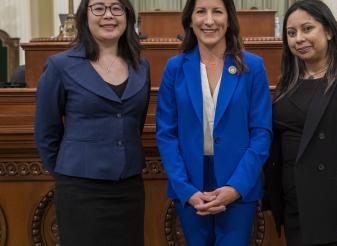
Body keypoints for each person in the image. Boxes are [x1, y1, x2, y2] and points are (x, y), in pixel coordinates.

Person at [263, 0, 337, 245]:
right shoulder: (288, 82)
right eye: (291, 33)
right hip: (294, 206)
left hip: (334, 209)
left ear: (328, 31)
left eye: (308, 29)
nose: (299, 39)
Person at [155, 0, 272, 245]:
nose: (209, 20)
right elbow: (166, 134)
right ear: (189, 19)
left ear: (229, 19)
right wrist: (186, 189)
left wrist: (236, 187)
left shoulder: (252, 66)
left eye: (217, 11)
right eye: (201, 12)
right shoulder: (175, 68)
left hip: (238, 183)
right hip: (190, 182)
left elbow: (261, 133)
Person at [34, 0, 150, 245]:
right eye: (99, 7)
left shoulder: (141, 66)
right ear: (84, 16)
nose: (108, 15)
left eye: (116, 8)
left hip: (129, 188)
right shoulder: (60, 65)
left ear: (127, 15)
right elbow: (46, 133)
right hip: (80, 191)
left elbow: (134, 125)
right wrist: (69, 174)